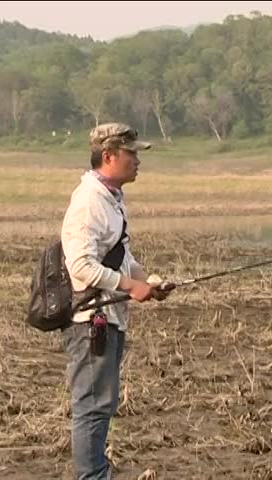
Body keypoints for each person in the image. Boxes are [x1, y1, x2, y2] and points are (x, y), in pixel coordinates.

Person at [60, 122, 170, 479]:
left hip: (109, 318)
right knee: (92, 407)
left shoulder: (111, 198)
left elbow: (117, 255)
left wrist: (145, 282)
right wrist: (128, 284)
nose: (138, 161)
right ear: (108, 156)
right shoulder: (89, 200)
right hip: (91, 322)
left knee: (101, 405)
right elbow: (79, 265)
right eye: (131, 154)